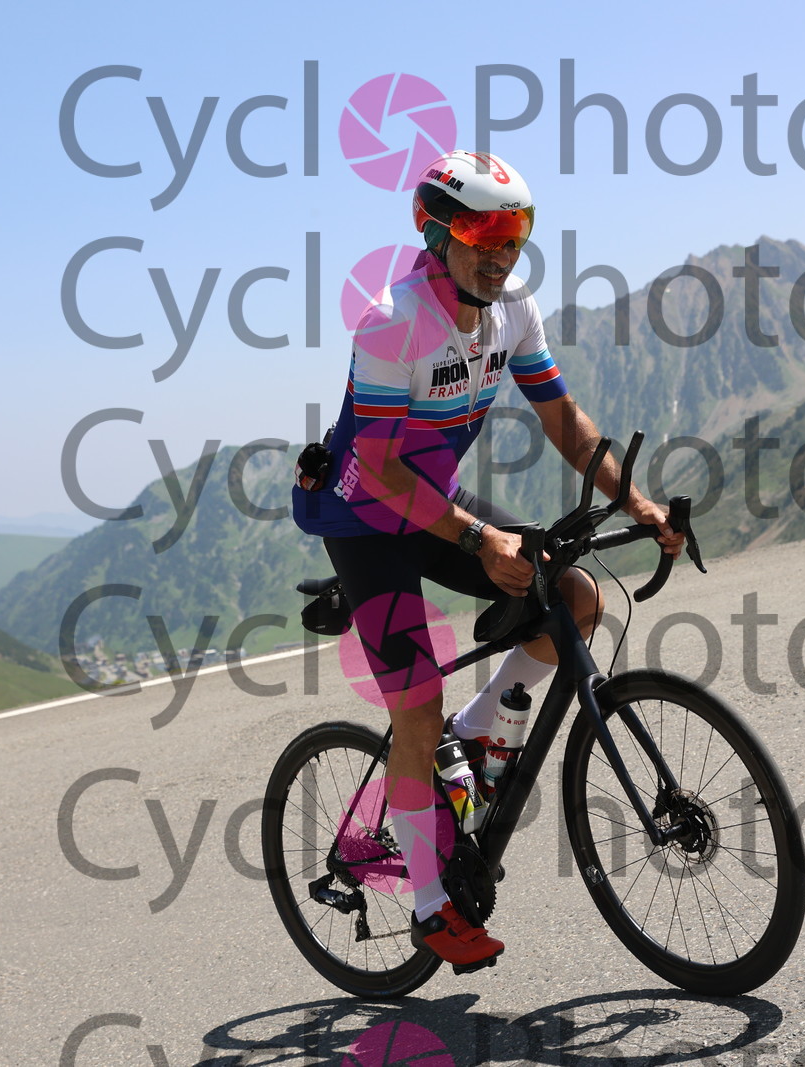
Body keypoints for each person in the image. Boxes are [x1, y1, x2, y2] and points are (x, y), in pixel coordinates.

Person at [291, 149, 683, 971]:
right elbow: (384, 468)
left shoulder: (514, 311)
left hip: (433, 505)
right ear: (435, 234)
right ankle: (430, 904)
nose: (501, 251)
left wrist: (638, 502)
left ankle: (475, 731)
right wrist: (478, 538)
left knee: (576, 597)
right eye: (481, 232)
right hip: (364, 515)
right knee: (416, 703)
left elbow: (564, 419)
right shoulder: (392, 320)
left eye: (516, 231)